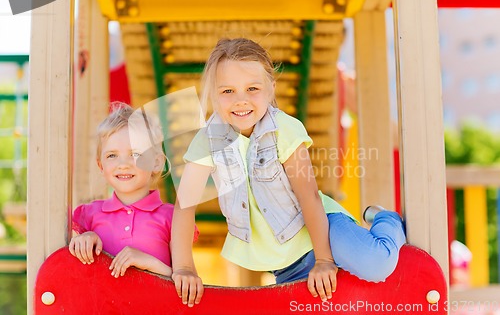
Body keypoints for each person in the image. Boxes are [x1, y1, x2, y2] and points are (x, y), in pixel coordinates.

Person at [170, 38, 406, 307]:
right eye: (227, 91)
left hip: (323, 230)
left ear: (271, 88)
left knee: (376, 264)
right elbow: (184, 205)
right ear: (214, 93)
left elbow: (309, 197)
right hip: (285, 265)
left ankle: (386, 219)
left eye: (252, 88)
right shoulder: (207, 141)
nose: (240, 100)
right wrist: (184, 268)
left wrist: (324, 260)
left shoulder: (284, 129)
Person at [69, 103, 198, 278]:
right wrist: (81, 240)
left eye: (135, 154)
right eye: (112, 155)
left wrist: (148, 263)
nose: (123, 164)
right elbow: (69, 271)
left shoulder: (174, 218)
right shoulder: (87, 215)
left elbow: (185, 283)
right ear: (100, 165)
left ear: (156, 162)